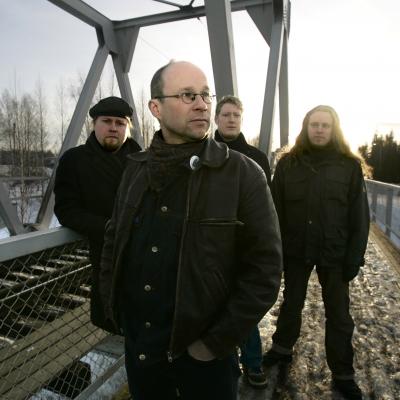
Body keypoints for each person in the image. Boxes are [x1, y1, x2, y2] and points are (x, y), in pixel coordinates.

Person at [99, 61, 283, 400]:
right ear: (156, 108)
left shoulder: (243, 174)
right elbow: (114, 239)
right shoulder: (135, 169)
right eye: (187, 95)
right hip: (142, 352)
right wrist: (116, 311)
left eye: (204, 95)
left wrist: (212, 345)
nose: (201, 104)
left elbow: (265, 271)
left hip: (203, 363)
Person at [263, 105, 370, 400]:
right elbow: (273, 212)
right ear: (306, 128)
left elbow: (360, 218)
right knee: (291, 302)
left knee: (339, 314)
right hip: (296, 249)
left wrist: (354, 257)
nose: (320, 130)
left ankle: (343, 373)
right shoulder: (288, 164)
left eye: (325, 125)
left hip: (334, 252)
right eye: (315, 125)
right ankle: (282, 348)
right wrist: (274, 252)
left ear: (334, 130)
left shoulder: (349, 166)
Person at [54, 96, 141, 331]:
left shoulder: (143, 161)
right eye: (107, 121)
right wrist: (108, 227)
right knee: (113, 318)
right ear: (94, 124)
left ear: (127, 128)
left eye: (120, 123)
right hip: (105, 254)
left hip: (145, 254)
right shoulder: (74, 160)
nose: (113, 127)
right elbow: (66, 210)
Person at [214, 95, 271, 389]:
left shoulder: (257, 158)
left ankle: (252, 362)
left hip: (244, 244)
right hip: (209, 245)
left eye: (236, 115)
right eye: (226, 114)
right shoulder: (199, 153)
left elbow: (266, 209)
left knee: (243, 306)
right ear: (216, 119)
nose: (231, 119)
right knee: (209, 306)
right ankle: (215, 365)